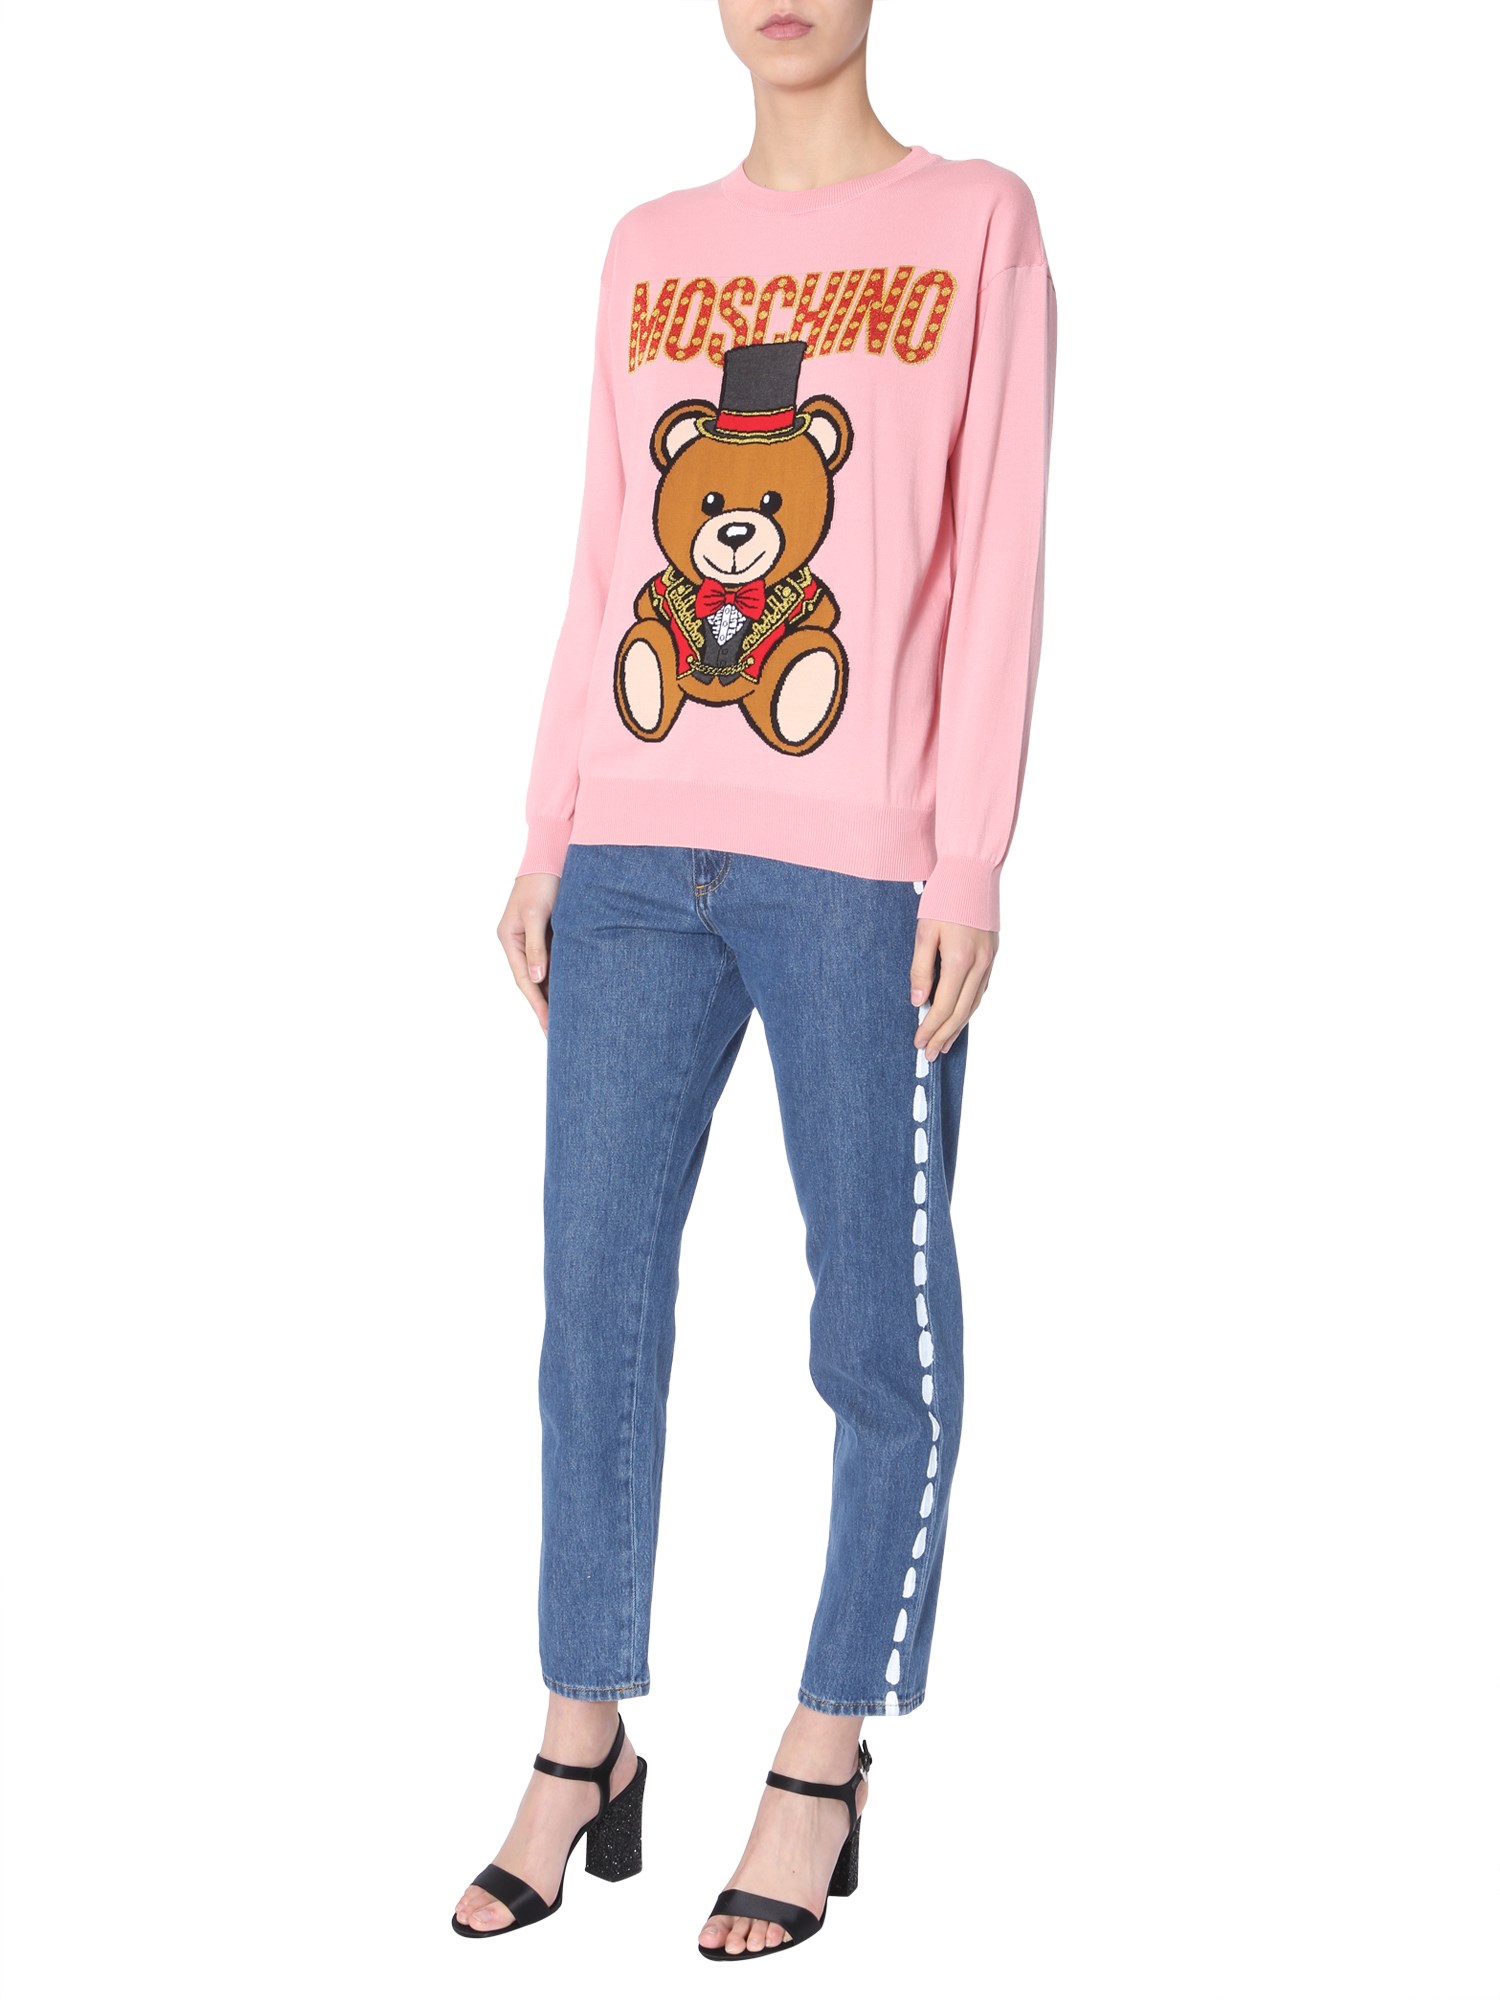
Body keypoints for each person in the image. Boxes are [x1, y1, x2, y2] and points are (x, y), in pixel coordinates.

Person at [452, 0, 1057, 1961]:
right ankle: (583, 1735)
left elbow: (998, 557)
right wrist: (549, 828)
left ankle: (827, 1744)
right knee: (593, 1302)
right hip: (633, 851)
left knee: (877, 1321)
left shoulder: (976, 222)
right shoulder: (650, 248)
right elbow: (602, 551)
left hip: (860, 873)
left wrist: (967, 855)